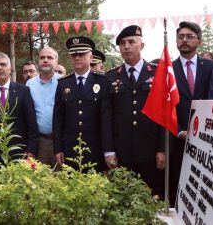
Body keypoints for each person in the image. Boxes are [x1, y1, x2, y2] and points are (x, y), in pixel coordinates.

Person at [106, 25, 165, 196]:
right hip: (121, 152)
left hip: (151, 152)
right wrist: (109, 150)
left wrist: (163, 149)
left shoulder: (157, 73)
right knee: (123, 202)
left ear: (142, 45)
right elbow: (107, 117)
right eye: (122, 43)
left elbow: (164, 115)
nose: (126, 46)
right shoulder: (111, 77)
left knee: (152, 200)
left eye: (131, 42)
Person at [170, 21, 213, 207]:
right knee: (179, 189)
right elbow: (166, 107)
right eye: (181, 36)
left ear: (199, 41)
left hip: (208, 141)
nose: (184, 40)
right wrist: (180, 130)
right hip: (177, 139)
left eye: (189, 37)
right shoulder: (167, 69)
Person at [53, 36, 113, 172]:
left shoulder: (102, 82)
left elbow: (106, 119)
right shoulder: (63, 84)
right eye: (74, 55)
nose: (77, 57)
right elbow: (58, 120)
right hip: (70, 150)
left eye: (81, 54)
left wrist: (109, 150)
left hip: (95, 149)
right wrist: (58, 148)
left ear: (90, 56)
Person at [0, 52, 38, 160]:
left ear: (10, 69)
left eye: (3, 64)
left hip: (19, 153)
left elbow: (31, 124)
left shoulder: (23, 91)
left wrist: (31, 150)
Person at [26, 47, 61, 168]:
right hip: (39, 143)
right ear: (38, 61)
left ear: (56, 61)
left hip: (60, 142)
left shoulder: (63, 82)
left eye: (49, 57)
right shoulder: (30, 84)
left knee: (61, 181)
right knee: (39, 181)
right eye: (42, 58)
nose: (45, 60)